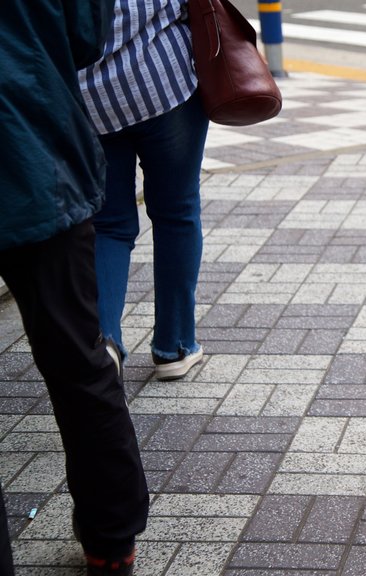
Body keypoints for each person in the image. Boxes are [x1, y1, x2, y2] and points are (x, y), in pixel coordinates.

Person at [0, 1, 150, 574]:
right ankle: (111, 541)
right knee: (79, 364)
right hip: (34, 152)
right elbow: (86, 36)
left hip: (35, 152)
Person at [78, 0, 209, 381]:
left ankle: (106, 344)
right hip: (162, 85)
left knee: (108, 225)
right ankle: (175, 346)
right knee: (177, 212)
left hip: (90, 101)